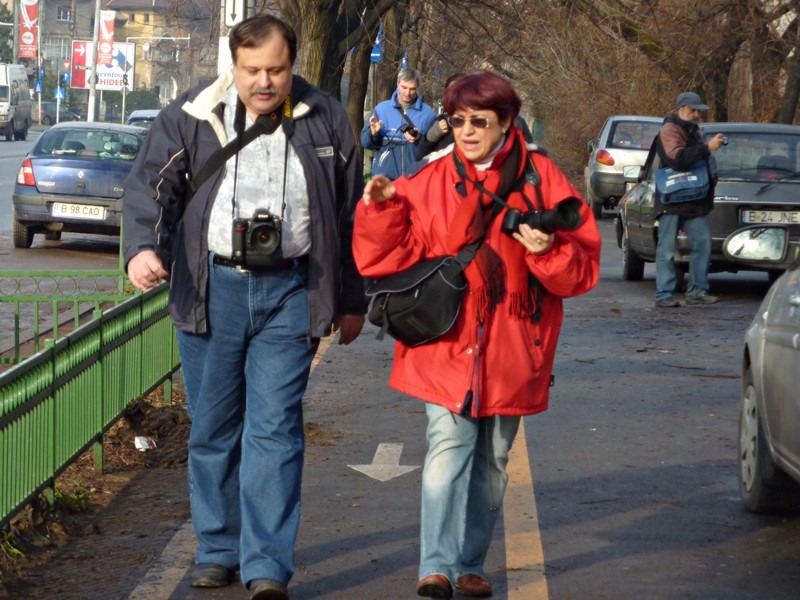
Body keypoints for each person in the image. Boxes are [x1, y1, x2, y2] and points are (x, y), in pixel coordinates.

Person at [121, 14, 367, 600]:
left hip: (293, 290)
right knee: (213, 428)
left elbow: (351, 214)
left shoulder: (327, 118)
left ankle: (267, 566)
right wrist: (142, 248)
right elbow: (150, 184)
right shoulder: (193, 113)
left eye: (276, 70)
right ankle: (216, 549)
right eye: (252, 70)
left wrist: (353, 297)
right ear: (233, 65)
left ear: (292, 65)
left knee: (275, 430)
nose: (264, 82)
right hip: (212, 289)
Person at [352, 70, 601, 599]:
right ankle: (436, 567)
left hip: (515, 344)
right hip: (446, 340)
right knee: (448, 449)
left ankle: (470, 563)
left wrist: (547, 252)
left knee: (492, 462)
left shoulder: (544, 178)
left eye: (479, 121)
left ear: (507, 122)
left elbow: (581, 273)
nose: (466, 131)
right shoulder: (429, 178)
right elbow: (381, 258)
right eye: (457, 120)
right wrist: (380, 208)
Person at [654, 91, 725, 308]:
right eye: (694, 110)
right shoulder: (669, 129)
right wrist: (707, 148)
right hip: (672, 199)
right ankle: (664, 295)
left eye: (698, 111)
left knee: (702, 246)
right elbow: (678, 160)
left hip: (697, 199)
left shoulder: (694, 130)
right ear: (682, 108)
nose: (697, 114)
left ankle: (697, 292)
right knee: (667, 249)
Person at [361, 68, 437, 179]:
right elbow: (365, 143)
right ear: (397, 84)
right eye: (404, 87)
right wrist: (373, 134)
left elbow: (435, 149)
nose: (407, 93)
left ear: (418, 87)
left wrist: (419, 139)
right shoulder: (381, 110)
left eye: (412, 89)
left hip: (415, 180)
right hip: (384, 181)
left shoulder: (428, 114)